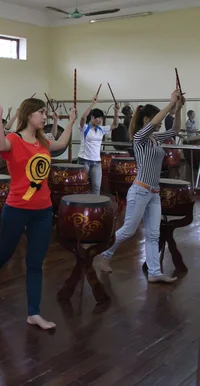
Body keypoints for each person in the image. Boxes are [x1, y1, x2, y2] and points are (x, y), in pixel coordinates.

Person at [0, 97, 77, 330]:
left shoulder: (43, 141)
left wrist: (72, 121)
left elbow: (61, 144)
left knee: (35, 263)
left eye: (44, 113)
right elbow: (0, 144)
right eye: (40, 113)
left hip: (43, 211)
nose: (44, 116)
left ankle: (33, 313)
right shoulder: (13, 139)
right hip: (16, 209)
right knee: (4, 253)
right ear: (28, 114)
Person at [99, 90, 184, 281]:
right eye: (156, 118)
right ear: (146, 119)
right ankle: (105, 255)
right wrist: (170, 103)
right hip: (140, 191)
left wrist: (177, 109)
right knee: (128, 230)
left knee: (154, 234)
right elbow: (156, 123)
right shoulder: (140, 137)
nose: (160, 122)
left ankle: (154, 273)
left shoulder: (155, 138)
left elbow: (175, 130)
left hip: (154, 193)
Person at [77, 95, 120, 194]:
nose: (100, 120)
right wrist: (93, 103)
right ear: (92, 117)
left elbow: (115, 125)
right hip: (84, 160)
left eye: (101, 118)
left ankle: (94, 208)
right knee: (82, 186)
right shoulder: (84, 128)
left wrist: (116, 111)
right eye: (98, 118)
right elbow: (83, 117)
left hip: (96, 162)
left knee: (97, 187)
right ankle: (83, 207)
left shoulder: (101, 129)